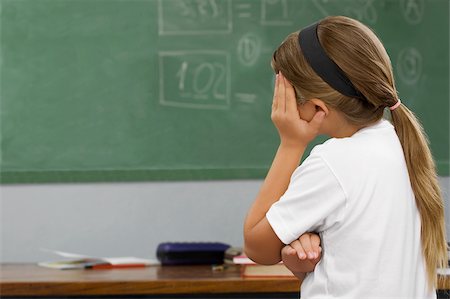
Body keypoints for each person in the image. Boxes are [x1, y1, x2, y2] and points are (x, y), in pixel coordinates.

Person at [243, 16, 447, 298]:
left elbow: (256, 246)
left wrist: (291, 144)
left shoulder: (333, 163)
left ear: (317, 107)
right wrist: (298, 257)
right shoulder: (399, 142)